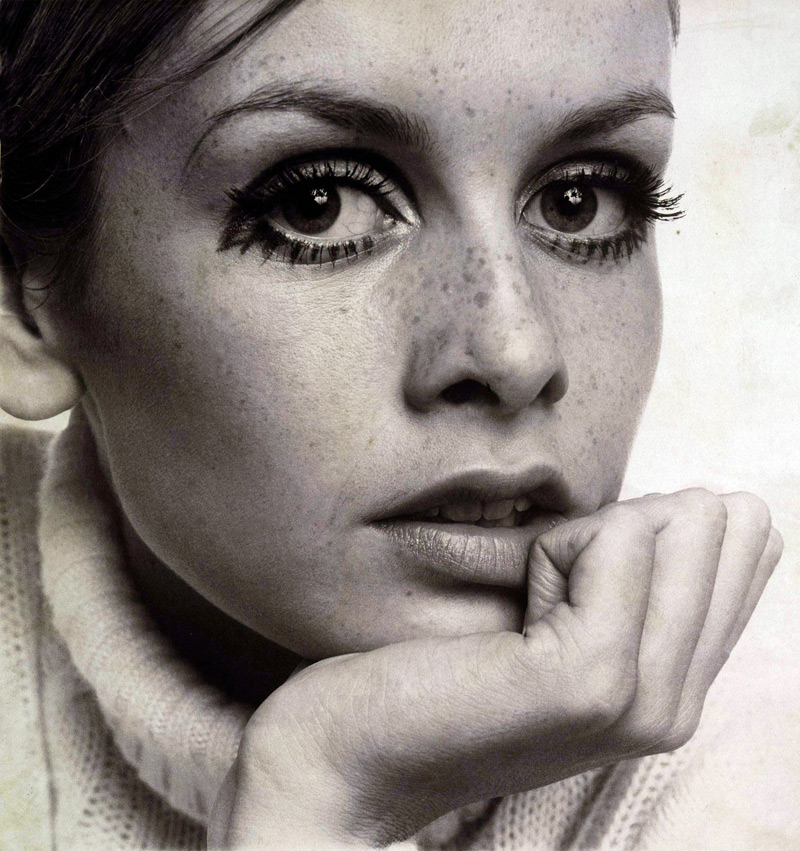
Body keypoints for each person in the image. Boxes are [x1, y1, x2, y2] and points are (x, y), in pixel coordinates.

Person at [0, 0, 797, 848]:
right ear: (21, 299)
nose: (516, 352)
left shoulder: (760, 774)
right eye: (320, 203)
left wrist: (324, 792)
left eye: (580, 201)